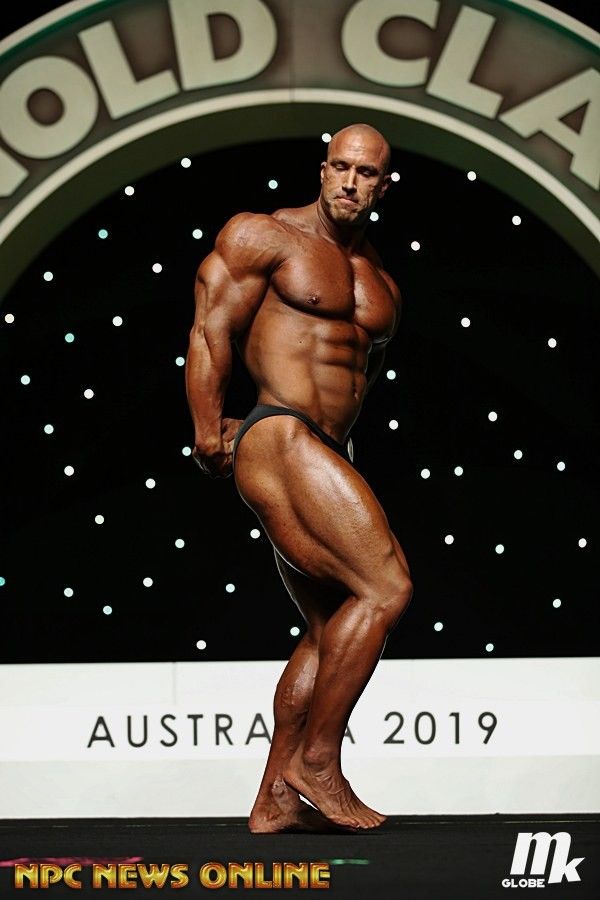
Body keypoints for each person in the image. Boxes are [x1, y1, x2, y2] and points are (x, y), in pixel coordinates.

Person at [185, 124, 413, 832]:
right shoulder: (265, 236)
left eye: (366, 173)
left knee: (328, 628)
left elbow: (356, 379)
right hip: (278, 431)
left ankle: (275, 801)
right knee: (386, 587)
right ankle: (318, 762)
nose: (350, 182)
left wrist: (337, 460)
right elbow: (210, 328)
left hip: (324, 449)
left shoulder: (381, 279)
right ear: (322, 170)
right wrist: (206, 427)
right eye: (341, 167)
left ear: (384, 186)